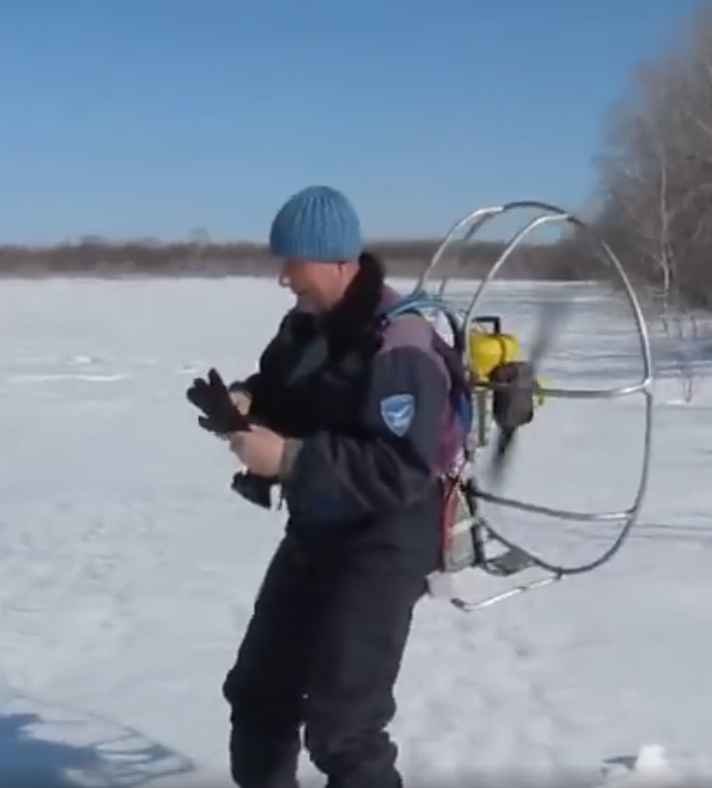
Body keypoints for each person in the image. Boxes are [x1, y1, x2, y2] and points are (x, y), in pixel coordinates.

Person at [216, 185, 469, 788]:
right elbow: (288, 387)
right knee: (258, 695)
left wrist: (291, 461)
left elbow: (400, 468)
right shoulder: (305, 326)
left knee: (343, 727)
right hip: (319, 525)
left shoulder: (399, 347)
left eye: (291, 263)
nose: (283, 278)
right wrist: (250, 399)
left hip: (388, 535)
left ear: (334, 260)